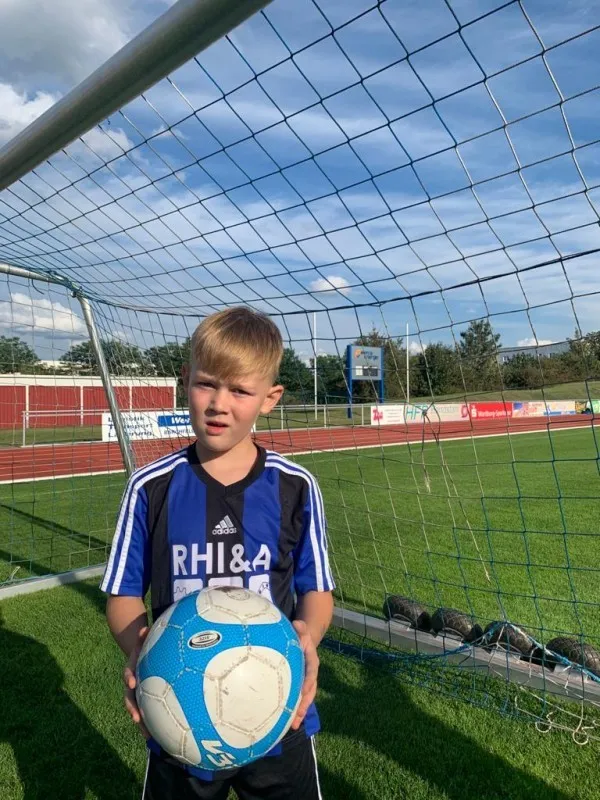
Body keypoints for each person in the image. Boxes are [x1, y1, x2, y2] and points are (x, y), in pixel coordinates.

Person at [100, 306, 335, 799]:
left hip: (278, 710)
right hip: (180, 712)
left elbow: (316, 591)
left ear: (270, 398)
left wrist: (307, 642)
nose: (218, 404)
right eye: (206, 384)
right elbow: (123, 595)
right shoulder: (149, 488)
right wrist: (140, 652)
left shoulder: (295, 486)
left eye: (240, 391)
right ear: (184, 381)